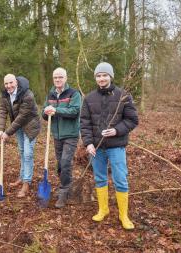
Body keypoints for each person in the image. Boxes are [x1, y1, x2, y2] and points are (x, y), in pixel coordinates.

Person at [80, 62, 138, 230]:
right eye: (98, 75)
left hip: (116, 146)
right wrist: (88, 143)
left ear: (110, 76)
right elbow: (85, 123)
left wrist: (116, 130)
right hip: (96, 149)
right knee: (99, 178)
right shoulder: (89, 98)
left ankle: (123, 215)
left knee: (120, 180)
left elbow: (132, 120)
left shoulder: (123, 95)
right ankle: (103, 209)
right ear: (95, 78)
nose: (101, 78)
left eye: (105, 75)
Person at [42, 67, 82, 208]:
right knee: (60, 165)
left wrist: (56, 110)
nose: (58, 80)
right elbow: (45, 113)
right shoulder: (51, 94)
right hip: (56, 135)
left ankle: (64, 191)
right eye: (55, 78)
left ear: (65, 78)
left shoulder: (74, 94)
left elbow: (74, 111)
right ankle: (66, 186)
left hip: (70, 134)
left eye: (60, 77)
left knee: (65, 162)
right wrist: (45, 111)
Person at [0, 74, 41, 198]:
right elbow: (2, 111)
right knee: (21, 152)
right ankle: (22, 177)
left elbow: (22, 116)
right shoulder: (5, 95)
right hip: (19, 127)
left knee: (27, 154)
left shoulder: (27, 94)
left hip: (31, 126)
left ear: (16, 82)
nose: (8, 86)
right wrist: (0, 129)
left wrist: (7, 132)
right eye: (6, 84)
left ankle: (26, 182)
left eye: (11, 83)